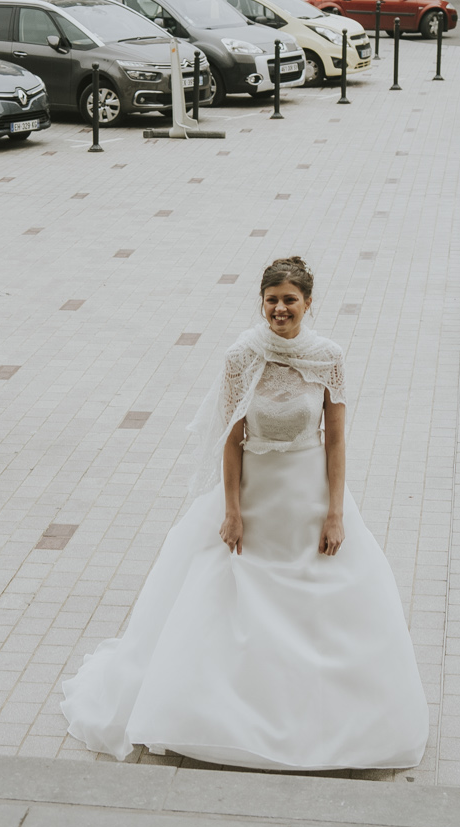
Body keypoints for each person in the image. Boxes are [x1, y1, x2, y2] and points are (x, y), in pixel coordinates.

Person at [60, 258, 430, 772]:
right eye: (272, 299)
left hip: (307, 493)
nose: (280, 309)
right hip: (253, 490)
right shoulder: (241, 356)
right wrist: (232, 511)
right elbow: (230, 440)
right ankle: (228, 717)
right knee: (229, 596)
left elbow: (337, 439)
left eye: (290, 300)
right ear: (262, 301)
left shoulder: (328, 358)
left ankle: (323, 719)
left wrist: (335, 513)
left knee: (319, 602)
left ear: (307, 304)